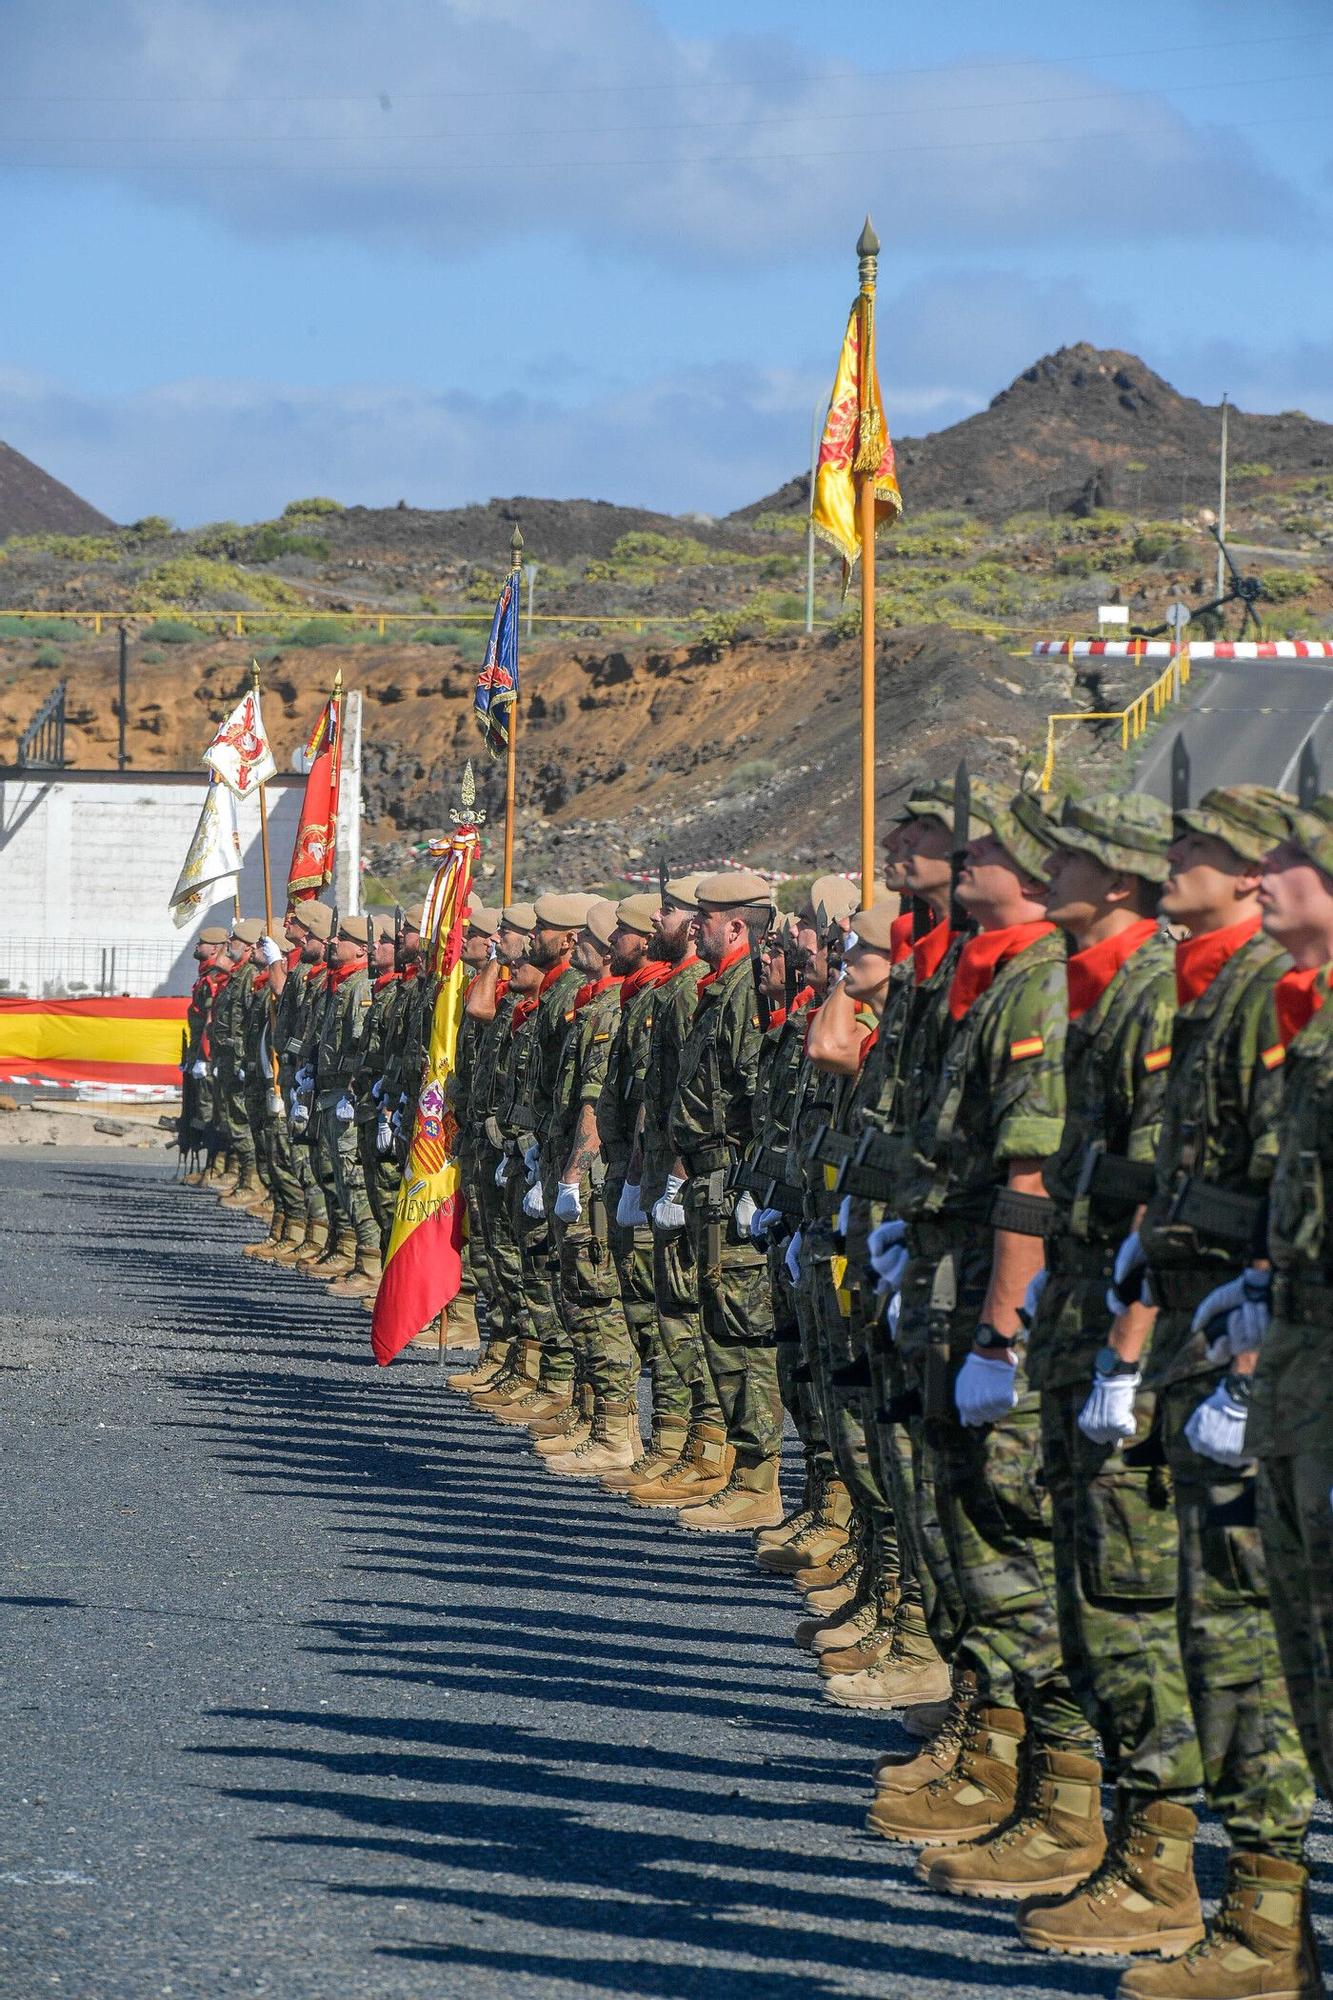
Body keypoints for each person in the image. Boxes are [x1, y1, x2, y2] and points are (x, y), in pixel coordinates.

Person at [1107, 788, 1316, 2000]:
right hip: (1235, 1337)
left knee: (1243, 1633)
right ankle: (1252, 1913)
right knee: (1211, 1614)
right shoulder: (1232, 992)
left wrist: (1250, 1354)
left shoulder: (1273, 1003)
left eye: (1216, 852)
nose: (1173, 860)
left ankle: (1264, 1917)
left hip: (1269, 1364)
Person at [873, 785, 1099, 1862]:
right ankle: (990, 1744)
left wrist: (1002, 1332)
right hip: (950, 1279)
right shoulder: (992, 972)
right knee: (964, 1527)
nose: (964, 854)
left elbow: (1029, 1174)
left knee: (1014, 1537)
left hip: (994, 1299)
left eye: (988, 845)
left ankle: (1051, 1794)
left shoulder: (1037, 984)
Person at [666, 870, 784, 1530]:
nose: (694, 927)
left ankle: (758, 1479)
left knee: (743, 1333)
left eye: (705, 918)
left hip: (732, 1177)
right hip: (710, 1178)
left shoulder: (741, 994)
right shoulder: (719, 991)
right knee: (719, 1323)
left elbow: (754, 1099)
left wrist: (750, 1182)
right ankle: (742, 1469)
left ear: (736, 926)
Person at [544, 899, 640, 1477]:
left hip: (597, 1176)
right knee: (576, 1291)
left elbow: (593, 1102)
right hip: (579, 1168)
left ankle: (617, 1431)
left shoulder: (607, 1010)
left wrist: (575, 1174)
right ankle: (595, 1418)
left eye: (593, 937)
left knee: (596, 1294)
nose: (577, 943)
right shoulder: (591, 1006)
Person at [596, 894, 687, 1490]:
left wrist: (662, 1176)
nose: (604, 950)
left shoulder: (672, 995)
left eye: (611, 938)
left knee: (686, 1317)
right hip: (639, 1168)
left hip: (671, 1175)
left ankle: (688, 1445)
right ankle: (657, 1437)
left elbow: (682, 1098)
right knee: (647, 1304)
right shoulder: (639, 999)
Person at [181, 926, 230, 1183]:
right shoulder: (206, 975)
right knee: (205, 1110)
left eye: (201, 943)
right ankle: (214, 1165)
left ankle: (216, 1166)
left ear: (214, 948)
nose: (196, 946)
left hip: (210, 1054)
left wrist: (204, 1057)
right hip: (201, 1051)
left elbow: (211, 1019)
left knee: (212, 1112)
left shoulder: (214, 976)